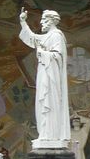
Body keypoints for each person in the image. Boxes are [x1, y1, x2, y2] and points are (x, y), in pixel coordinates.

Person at [18, 9, 70, 148]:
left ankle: (52, 135)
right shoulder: (46, 36)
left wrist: (43, 53)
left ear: (51, 20)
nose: (41, 22)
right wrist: (23, 22)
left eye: (43, 20)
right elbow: (32, 38)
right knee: (42, 103)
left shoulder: (57, 35)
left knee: (50, 102)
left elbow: (58, 56)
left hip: (52, 76)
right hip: (44, 73)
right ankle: (45, 134)